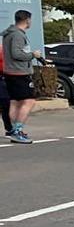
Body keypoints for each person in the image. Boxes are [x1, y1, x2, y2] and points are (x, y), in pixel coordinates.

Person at [2, 9, 37, 144]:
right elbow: (17, 54)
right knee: (29, 101)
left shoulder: (9, 34)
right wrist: (33, 55)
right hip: (19, 73)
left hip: (11, 72)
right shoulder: (17, 35)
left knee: (15, 102)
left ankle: (13, 130)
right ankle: (17, 130)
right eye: (30, 20)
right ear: (27, 19)